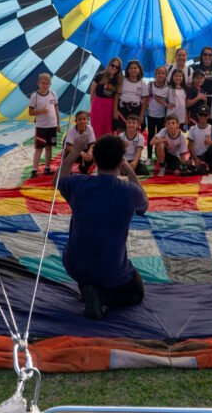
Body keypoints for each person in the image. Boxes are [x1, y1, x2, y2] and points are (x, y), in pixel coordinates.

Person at [57, 135, 148, 320]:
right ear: (120, 160)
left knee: (90, 267)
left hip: (75, 265)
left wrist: (75, 151)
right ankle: (103, 297)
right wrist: (130, 170)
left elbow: (59, 179)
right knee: (136, 290)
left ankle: (89, 287)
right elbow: (144, 205)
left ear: (96, 159)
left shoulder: (79, 184)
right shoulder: (129, 191)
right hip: (111, 268)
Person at [29, 72, 60, 176]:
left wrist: (58, 124)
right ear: (38, 83)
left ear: (50, 84)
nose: (45, 85)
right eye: (43, 83)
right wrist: (41, 111)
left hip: (52, 126)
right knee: (39, 148)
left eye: (47, 83)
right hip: (41, 127)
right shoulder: (35, 96)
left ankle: (47, 168)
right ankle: (34, 169)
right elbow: (30, 112)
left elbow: (56, 109)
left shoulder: (53, 94)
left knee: (49, 147)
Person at [89, 58, 122, 134]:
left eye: (117, 67)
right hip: (97, 104)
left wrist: (115, 110)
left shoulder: (118, 80)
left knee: (107, 129)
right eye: (113, 65)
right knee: (96, 128)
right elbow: (92, 94)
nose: (114, 68)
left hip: (109, 105)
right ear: (109, 65)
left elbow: (116, 96)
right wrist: (92, 108)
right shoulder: (99, 76)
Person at [187, 105, 212, 174]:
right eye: (201, 114)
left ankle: (211, 167)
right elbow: (190, 146)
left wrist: (210, 142)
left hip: (208, 155)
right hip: (197, 156)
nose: (203, 117)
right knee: (199, 171)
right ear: (197, 115)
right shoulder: (193, 129)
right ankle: (200, 166)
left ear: (208, 116)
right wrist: (195, 159)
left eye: (205, 115)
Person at [116, 60, 148, 130]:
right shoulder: (122, 81)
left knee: (134, 130)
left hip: (136, 110)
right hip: (122, 109)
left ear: (139, 70)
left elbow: (145, 101)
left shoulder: (143, 83)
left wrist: (142, 115)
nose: (133, 70)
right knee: (120, 129)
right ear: (127, 70)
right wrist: (115, 110)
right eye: (131, 68)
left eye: (135, 68)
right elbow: (116, 96)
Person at [146, 66, 170, 159]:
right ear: (155, 74)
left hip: (162, 116)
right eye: (158, 73)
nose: (160, 75)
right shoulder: (150, 84)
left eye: (163, 73)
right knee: (150, 135)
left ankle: (158, 156)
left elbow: (161, 99)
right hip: (151, 114)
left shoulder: (168, 87)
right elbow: (147, 97)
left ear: (166, 75)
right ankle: (149, 157)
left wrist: (157, 98)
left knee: (159, 137)